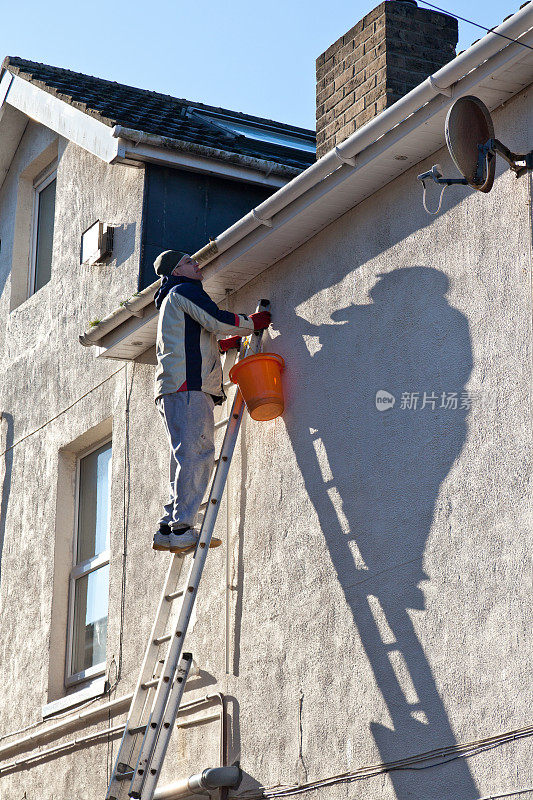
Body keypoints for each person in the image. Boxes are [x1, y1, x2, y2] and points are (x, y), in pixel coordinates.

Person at [152, 250, 271, 553]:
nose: (196, 264)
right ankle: (182, 529)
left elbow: (200, 334)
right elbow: (215, 319)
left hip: (174, 388)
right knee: (197, 455)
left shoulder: (171, 300)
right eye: (189, 262)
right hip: (187, 386)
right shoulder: (184, 291)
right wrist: (251, 323)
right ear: (176, 271)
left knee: (184, 457)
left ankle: (168, 527)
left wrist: (223, 344)